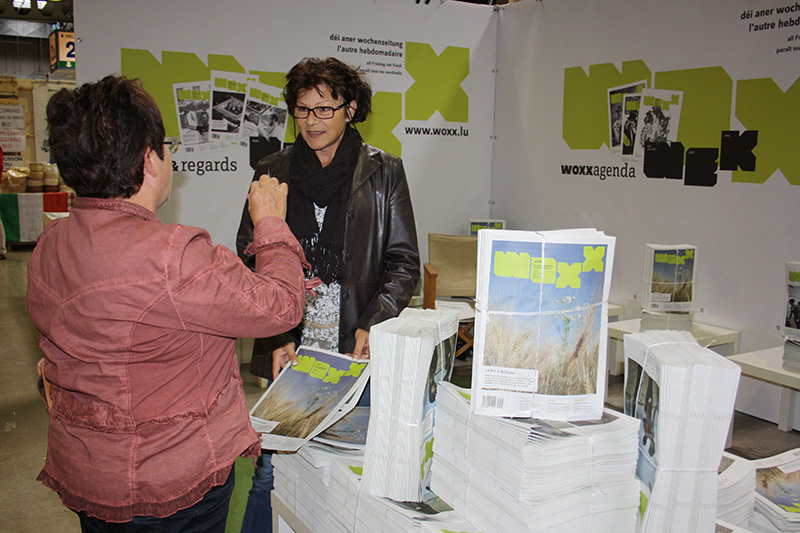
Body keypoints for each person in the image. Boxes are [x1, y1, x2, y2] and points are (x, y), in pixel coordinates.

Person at [27, 76, 309, 532]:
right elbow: (281, 306)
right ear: (148, 159)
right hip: (167, 485)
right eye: (166, 146)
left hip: (89, 470)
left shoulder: (51, 244)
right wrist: (272, 224)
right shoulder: (173, 257)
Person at [235, 57, 420, 532]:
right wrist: (277, 334)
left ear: (350, 109)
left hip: (354, 351)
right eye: (301, 110)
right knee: (271, 476)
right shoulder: (272, 170)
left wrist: (374, 322)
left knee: (348, 474)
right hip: (291, 349)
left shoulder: (383, 171)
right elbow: (250, 256)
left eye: (324, 109)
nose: (311, 121)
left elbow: (403, 262)